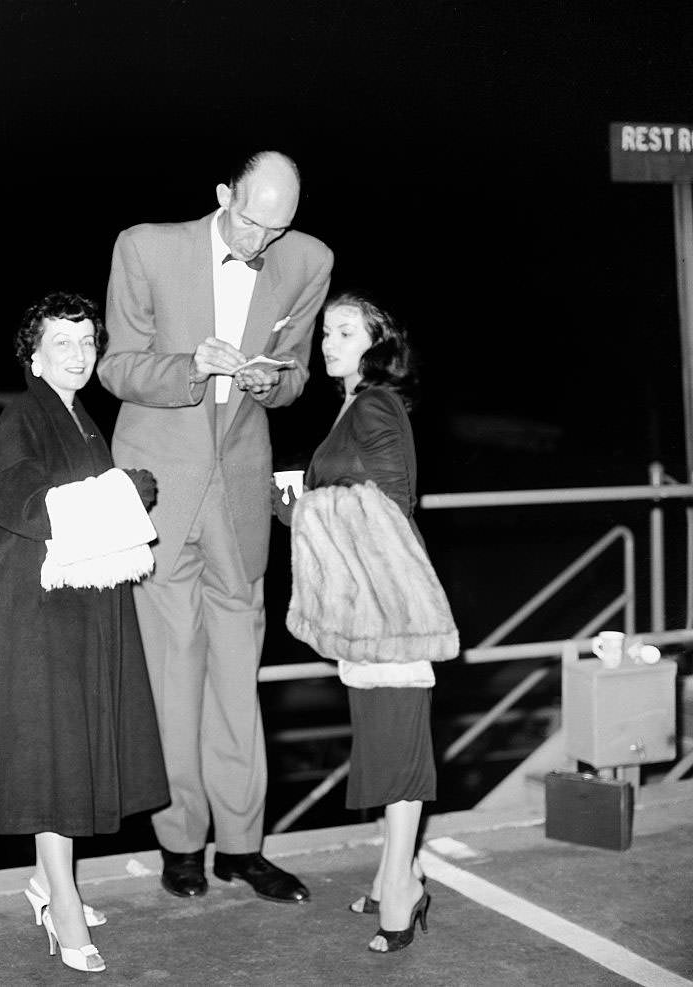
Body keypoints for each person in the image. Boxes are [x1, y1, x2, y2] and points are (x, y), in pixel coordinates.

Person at [98, 151, 333, 903]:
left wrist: (274, 380)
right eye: (250, 221)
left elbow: (296, 374)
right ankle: (180, 843)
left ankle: (241, 846)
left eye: (278, 226)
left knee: (239, 681)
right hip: (164, 487)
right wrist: (190, 364)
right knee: (175, 678)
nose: (261, 240)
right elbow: (117, 368)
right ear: (224, 195)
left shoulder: (308, 259)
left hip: (238, 493)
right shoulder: (145, 246)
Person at [0, 291, 168, 974]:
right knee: (53, 760)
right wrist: (120, 492)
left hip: (75, 612)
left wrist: (118, 488)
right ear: (34, 353)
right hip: (39, 618)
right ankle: (63, 902)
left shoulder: (79, 417)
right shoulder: (23, 415)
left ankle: (48, 881)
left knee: (71, 750)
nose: (79, 355)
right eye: (63, 343)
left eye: (87, 342)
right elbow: (13, 501)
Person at [274, 292, 450, 953]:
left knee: (400, 749)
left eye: (345, 330)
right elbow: (355, 497)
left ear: (377, 342)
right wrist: (301, 510)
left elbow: (393, 501)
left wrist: (311, 509)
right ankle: (389, 874)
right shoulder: (353, 404)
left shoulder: (375, 404)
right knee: (382, 737)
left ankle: (404, 889)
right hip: (367, 601)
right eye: (325, 331)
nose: (328, 340)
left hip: (391, 603)